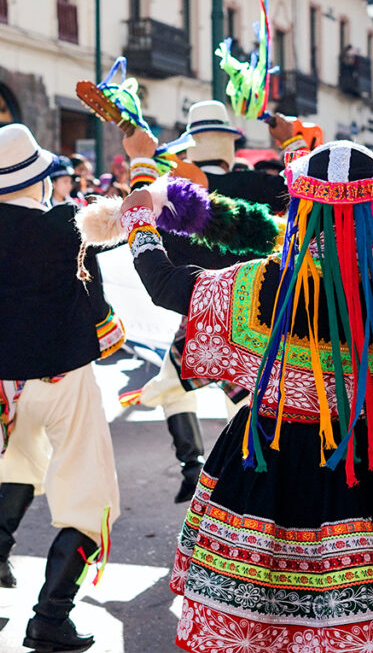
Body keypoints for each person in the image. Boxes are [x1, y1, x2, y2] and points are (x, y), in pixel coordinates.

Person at [117, 140, 373, 652]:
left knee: (266, 618)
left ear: (300, 207)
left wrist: (139, 222)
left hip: (273, 456)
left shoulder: (261, 283)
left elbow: (166, 285)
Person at [0, 124, 122, 652]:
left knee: (21, 462)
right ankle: (50, 616)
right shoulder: (69, 224)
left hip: (9, 386)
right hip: (66, 375)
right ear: (42, 177)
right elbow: (130, 219)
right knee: (88, 498)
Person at [128, 102, 300, 503]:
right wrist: (290, 140)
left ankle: (193, 465)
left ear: (191, 146)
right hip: (259, 315)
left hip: (199, 306)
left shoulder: (171, 194)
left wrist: (140, 163)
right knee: (244, 405)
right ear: (231, 144)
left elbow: (141, 216)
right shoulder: (262, 185)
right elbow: (307, 189)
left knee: (169, 388)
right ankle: (243, 484)